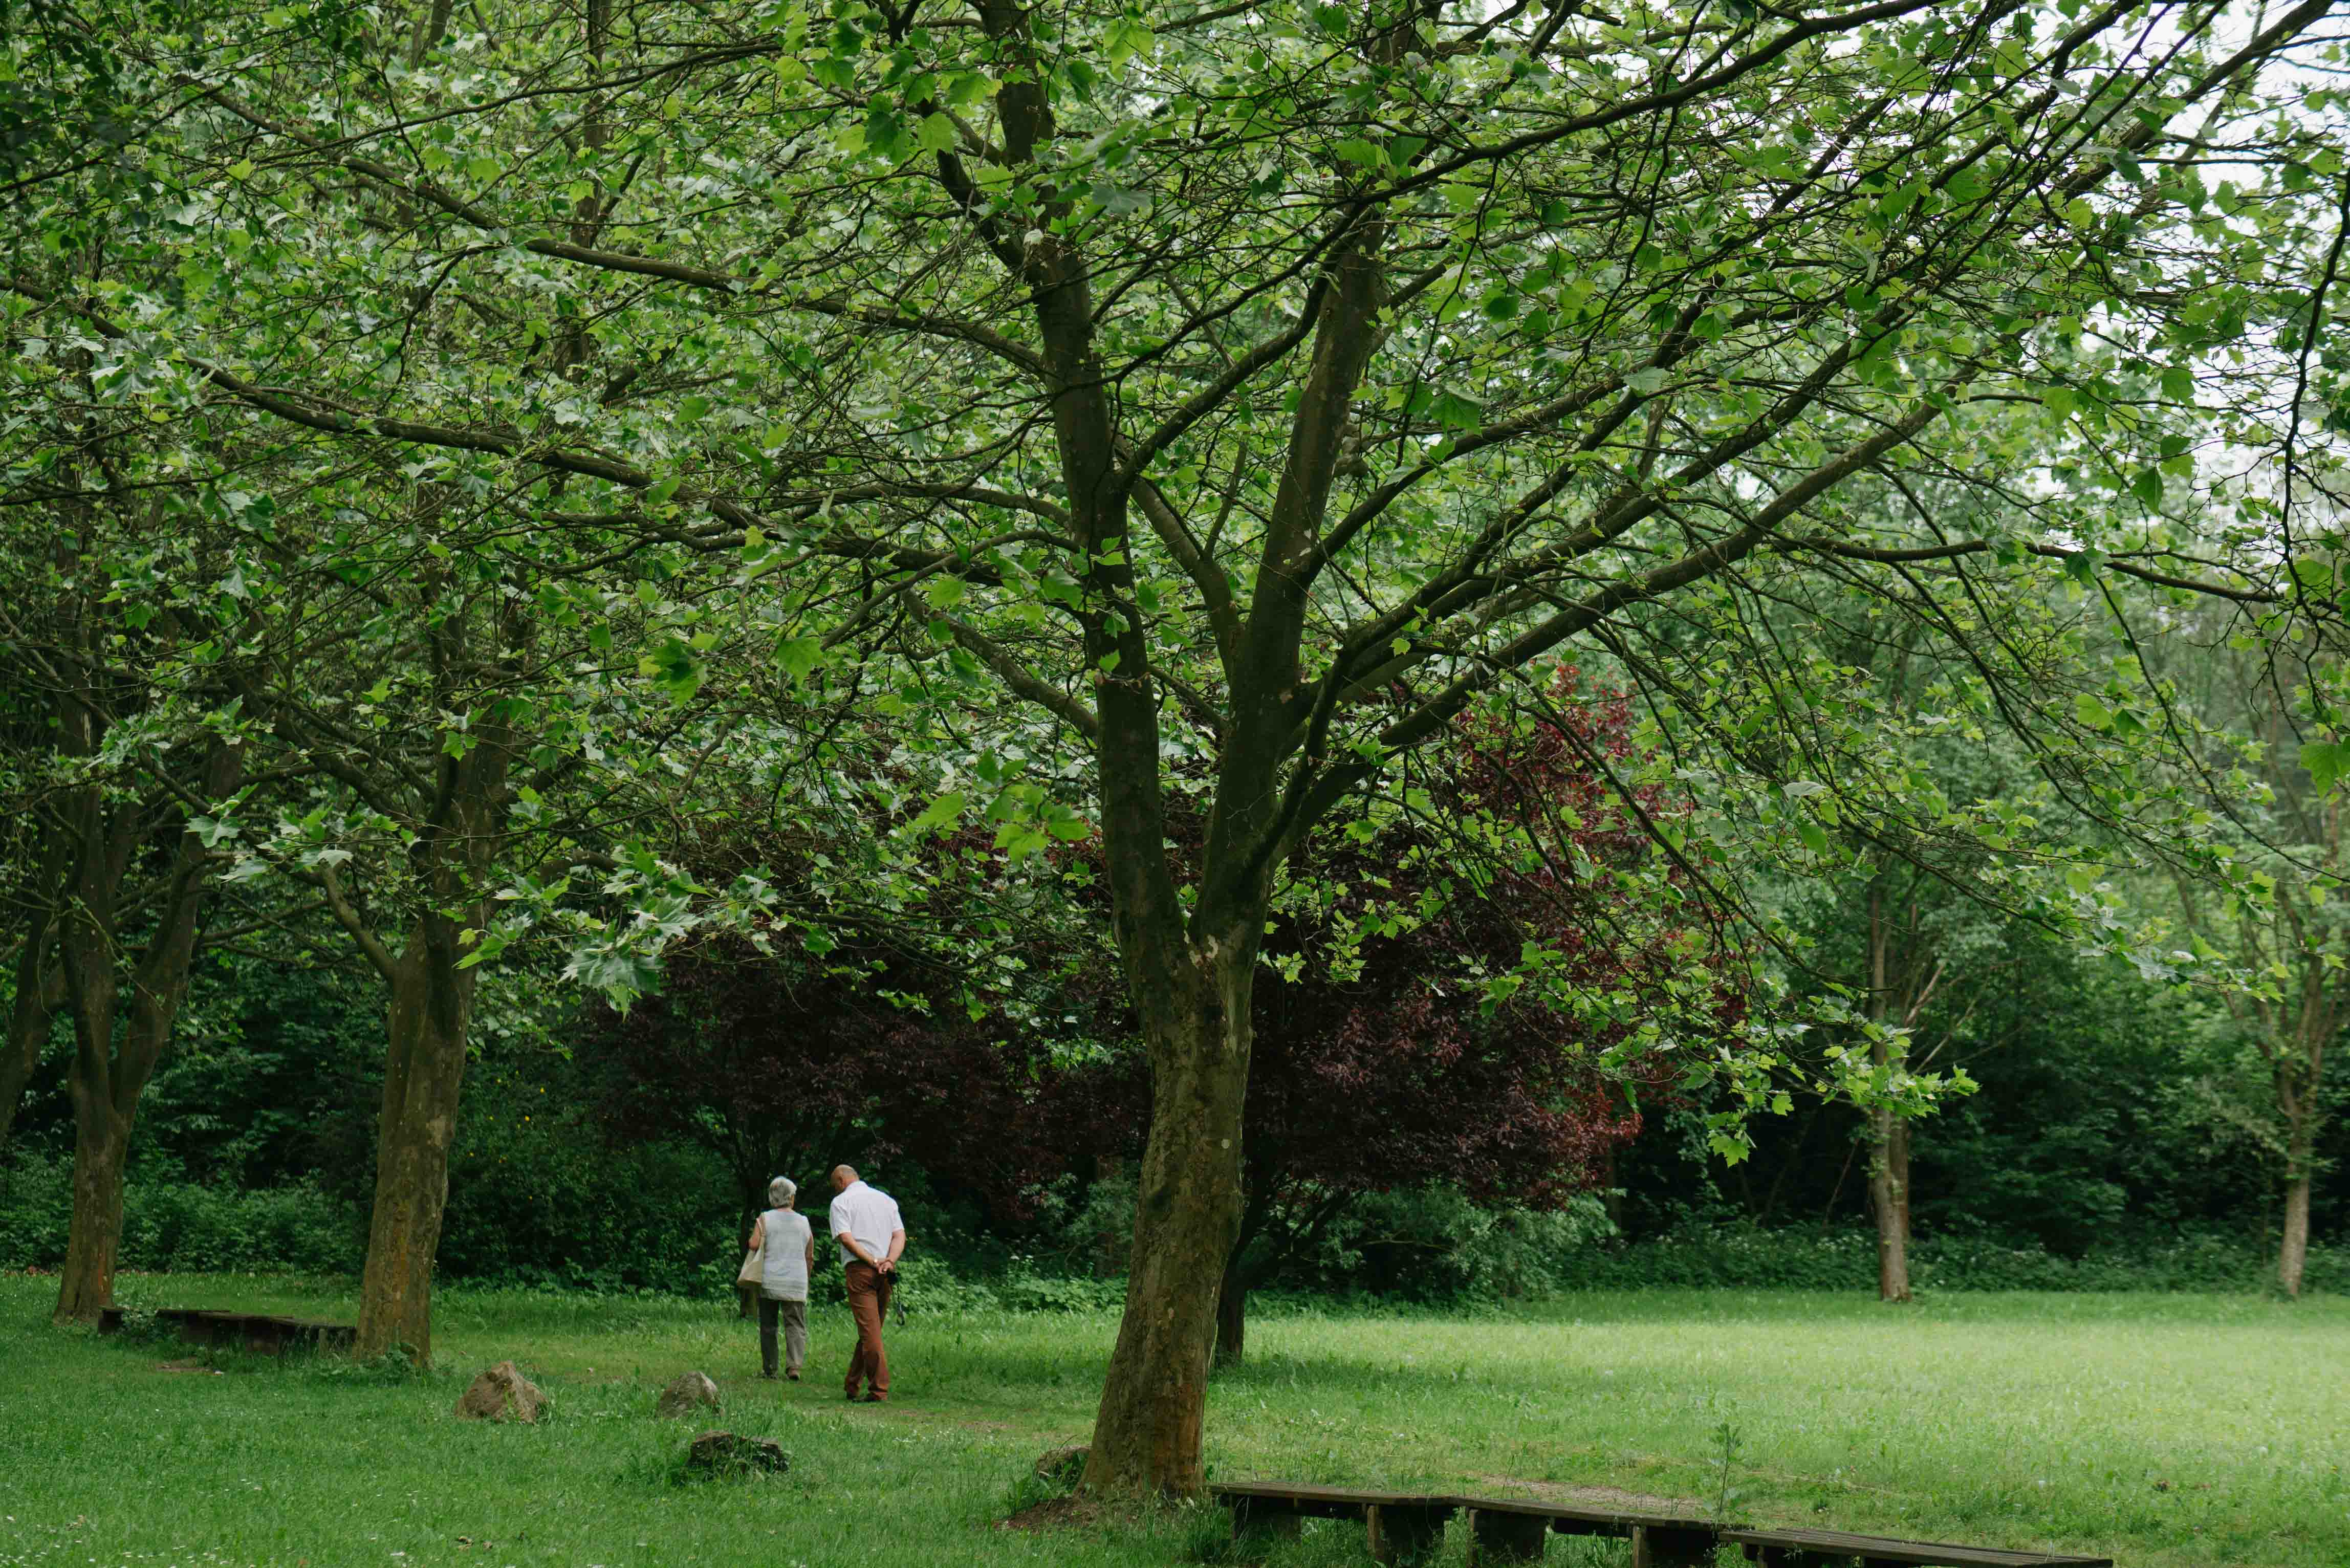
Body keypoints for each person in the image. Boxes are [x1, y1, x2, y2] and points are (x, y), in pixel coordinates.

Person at [826, 1164, 904, 1403]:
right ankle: (852, 1385)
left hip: (861, 1271)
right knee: (871, 1330)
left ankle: (878, 1390)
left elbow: (846, 1238)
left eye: (835, 1186)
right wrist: (889, 1261)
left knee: (870, 1333)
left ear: (841, 1181)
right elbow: (899, 1235)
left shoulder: (841, 1203)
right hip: (886, 1272)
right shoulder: (886, 1200)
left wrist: (871, 1260)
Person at [745, 1177, 815, 1381]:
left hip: (770, 1280)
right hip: (796, 1282)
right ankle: (794, 1367)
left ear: (772, 1198)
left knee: (769, 1326)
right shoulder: (804, 1222)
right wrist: (806, 1278)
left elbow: (753, 1244)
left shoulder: (765, 1218)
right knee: (796, 1325)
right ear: (791, 1198)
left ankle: (770, 1369)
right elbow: (809, 1254)